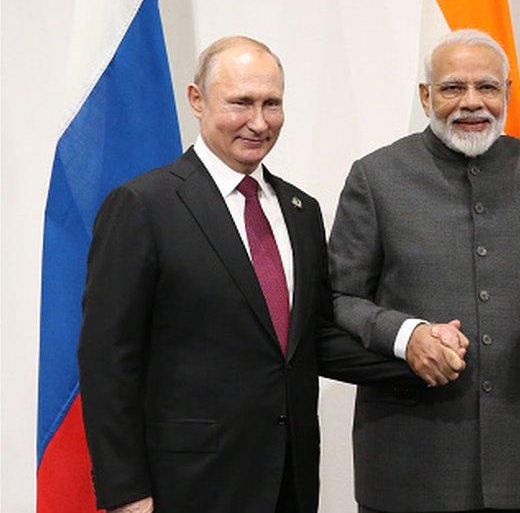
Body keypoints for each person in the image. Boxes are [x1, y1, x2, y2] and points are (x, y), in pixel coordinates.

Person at [78, 36, 426, 513]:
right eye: (240, 102)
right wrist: (125, 493)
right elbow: (108, 360)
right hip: (187, 486)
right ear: (196, 101)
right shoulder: (143, 206)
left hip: (291, 479)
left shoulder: (302, 209)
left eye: (272, 104)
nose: (259, 122)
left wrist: (418, 352)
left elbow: (310, 340)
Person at [328, 28, 520, 512]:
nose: (472, 103)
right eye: (452, 88)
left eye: (487, 87)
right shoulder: (376, 176)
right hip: (407, 459)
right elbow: (339, 298)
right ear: (425, 96)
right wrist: (407, 335)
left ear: (507, 94)